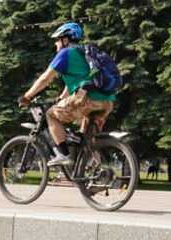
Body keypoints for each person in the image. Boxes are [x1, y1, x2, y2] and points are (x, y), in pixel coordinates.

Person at [19, 22, 117, 167]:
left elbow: (45, 78)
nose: (56, 44)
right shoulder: (84, 53)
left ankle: (63, 154)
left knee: (51, 115)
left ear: (65, 40)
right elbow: (75, 82)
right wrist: (60, 98)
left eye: (57, 40)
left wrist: (27, 96)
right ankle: (99, 171)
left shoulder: (65, 54)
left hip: (87, 99)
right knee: (87, 140)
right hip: (106, 102)